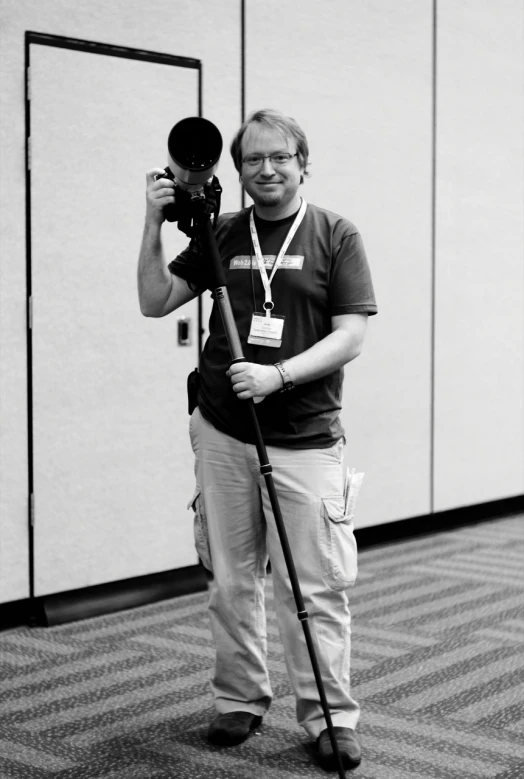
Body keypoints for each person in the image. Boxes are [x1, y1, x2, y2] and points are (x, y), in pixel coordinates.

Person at [137, 108, 377, 771]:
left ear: (303, 161)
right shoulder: (221, 232)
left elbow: (351, 334)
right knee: (231, 576)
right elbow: (156, 301)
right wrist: (152, 224)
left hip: (302, 438)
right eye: (252, 161)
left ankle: (330, 713)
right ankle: (239, 697)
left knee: (315, 584)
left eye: (279, 157)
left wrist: (278, 375)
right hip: (222, 431)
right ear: (237, 171)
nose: (266, 169)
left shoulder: (335, 234)